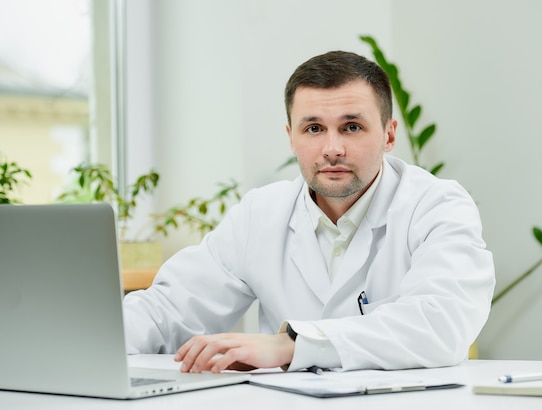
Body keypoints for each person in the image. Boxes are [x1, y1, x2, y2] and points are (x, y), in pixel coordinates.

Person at [123, 50, 495, 373]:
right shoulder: (261, 214)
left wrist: (292, 344)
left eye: (352, 127)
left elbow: (442, 324)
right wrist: (83, 341)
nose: (332, 149)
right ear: (291, 137)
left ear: (389, 135)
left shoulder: (436, 205)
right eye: (314, 128)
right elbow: (166, 311)